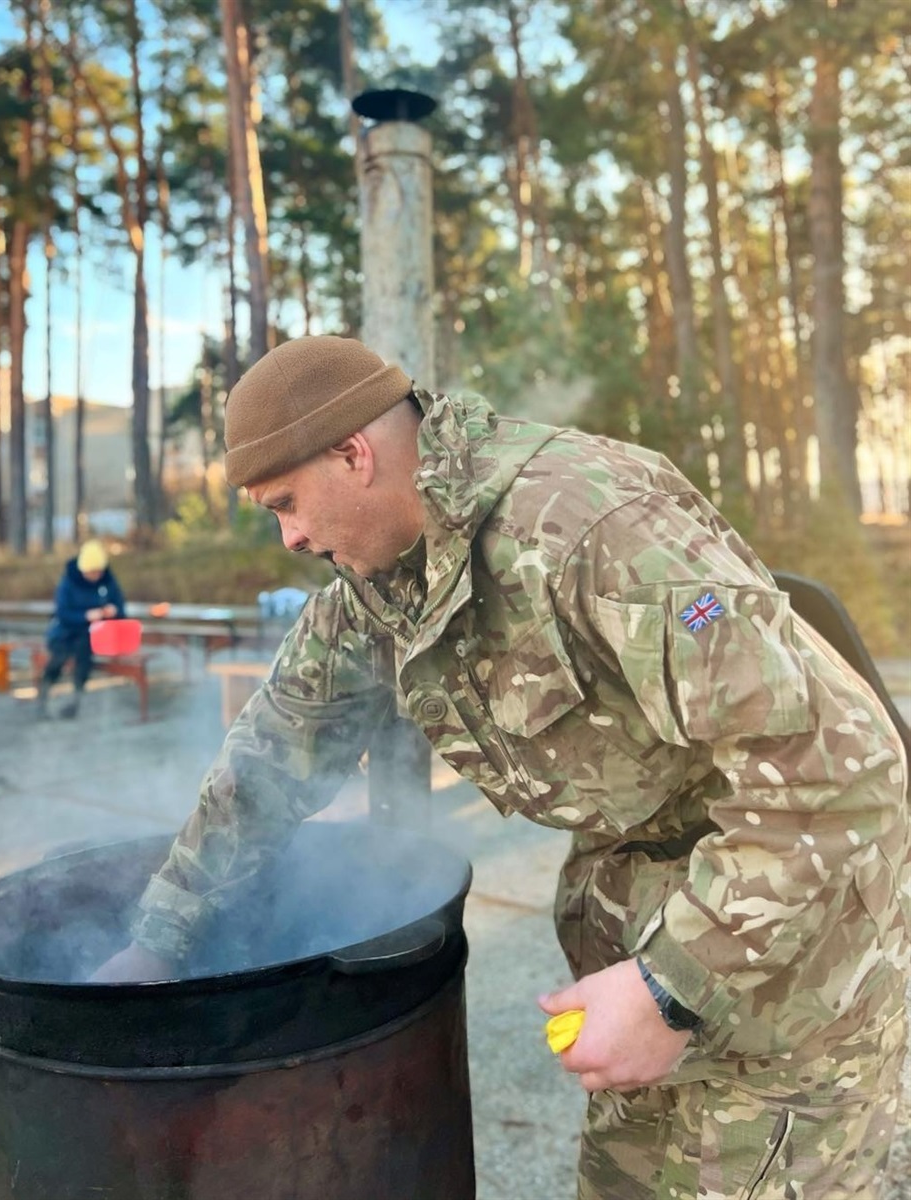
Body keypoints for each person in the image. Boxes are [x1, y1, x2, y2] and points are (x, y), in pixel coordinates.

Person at [94, 336, 909, 1198]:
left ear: (353, 453)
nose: (290, 536)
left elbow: (842, 774)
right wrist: (159, 938)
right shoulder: (379, 589)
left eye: (288, 503)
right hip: (640, 947)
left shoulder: (591, 526)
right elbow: (269, 763)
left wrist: (673, 989)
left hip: (793, 975)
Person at [37, 539, 126, 719]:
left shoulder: (108, 581)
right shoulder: (68, 582)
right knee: (59, 656)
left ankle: (75, 700)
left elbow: (120, 607)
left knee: (84, 656)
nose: (95, 575)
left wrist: (114, 610)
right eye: (91, 572)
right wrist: (85, 615)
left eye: (98, 572)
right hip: (64, 631)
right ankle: (43, 696)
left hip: (92, 635)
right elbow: (62, 613)